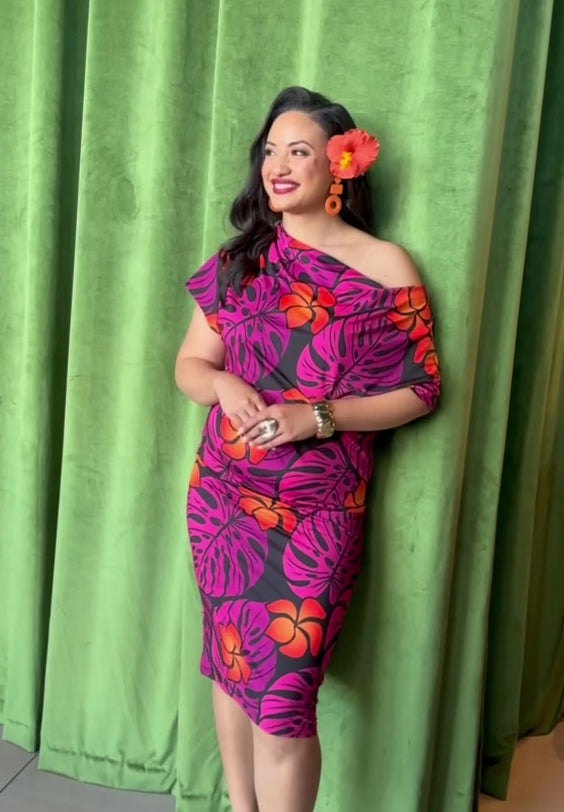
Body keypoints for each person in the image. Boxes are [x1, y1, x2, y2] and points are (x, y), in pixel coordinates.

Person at [175, 86, 440, 812]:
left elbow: (422, 389)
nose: (279, 167)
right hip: (223, 501)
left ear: (341, 166)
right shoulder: (240, 260)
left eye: (299, 152)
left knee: (283, 703)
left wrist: (316, 417)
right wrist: (222, 383)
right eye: (271, 152)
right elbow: (189, 366)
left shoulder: (385, 266)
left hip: (316, 517)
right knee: (230, 665)